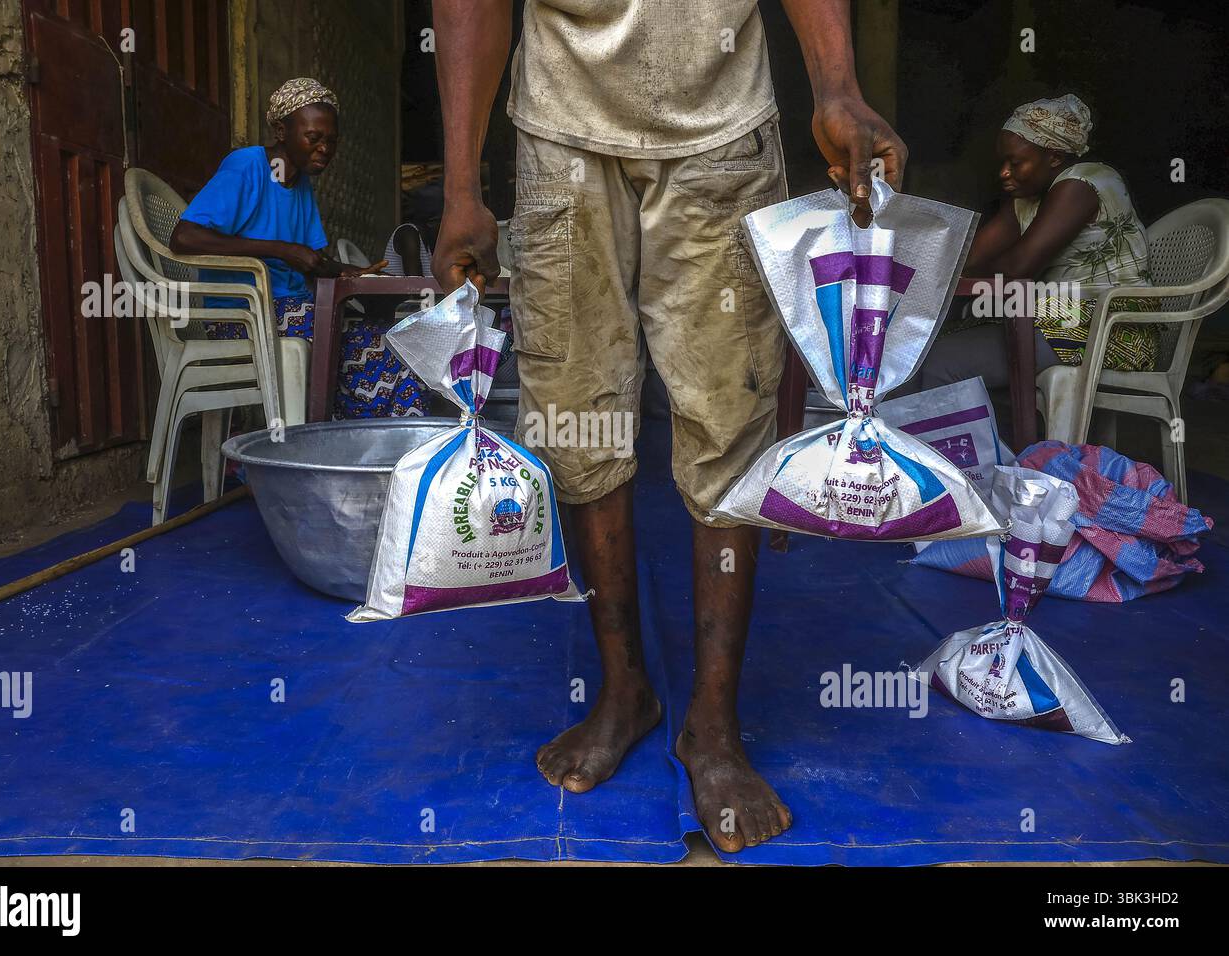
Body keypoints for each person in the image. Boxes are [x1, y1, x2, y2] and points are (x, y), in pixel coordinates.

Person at [431, 0, 906, 852]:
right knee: (580, 420)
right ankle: (625, 692)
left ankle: (713, 726)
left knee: (728, 419)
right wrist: (462, 185)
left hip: (721, 130)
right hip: (559, 132)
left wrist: (837, 83)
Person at [170, 77, 428, 418]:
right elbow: (183, 238)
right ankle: (344, 441)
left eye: (332, 141)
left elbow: (312, 259)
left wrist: (351, 274)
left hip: (296, 311)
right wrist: (282, 250)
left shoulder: (301, 184)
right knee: (373, 345)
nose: (324, 148)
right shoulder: (247, 167)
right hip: (246, 316)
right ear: (281, 131)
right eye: (314, 138)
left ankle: (388, 451)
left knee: (398, 341)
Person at [913, 93, 1158, 394]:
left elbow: (1018, 266)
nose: (1004, 173)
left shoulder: (1083, 183)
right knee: (923, 348)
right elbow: (971, 258)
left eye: (1016, 163)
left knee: (941, 362)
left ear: (1054, 156)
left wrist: (964, 271)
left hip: (1109, 332)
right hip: (1053, 322)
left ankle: (954, 442)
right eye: (1002, 162)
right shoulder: (1027, 199)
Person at [381, 183, 441, 277]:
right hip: (398, 291)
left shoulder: (429, 242)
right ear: (431, 222)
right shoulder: (409, 234)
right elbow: (415, 284)